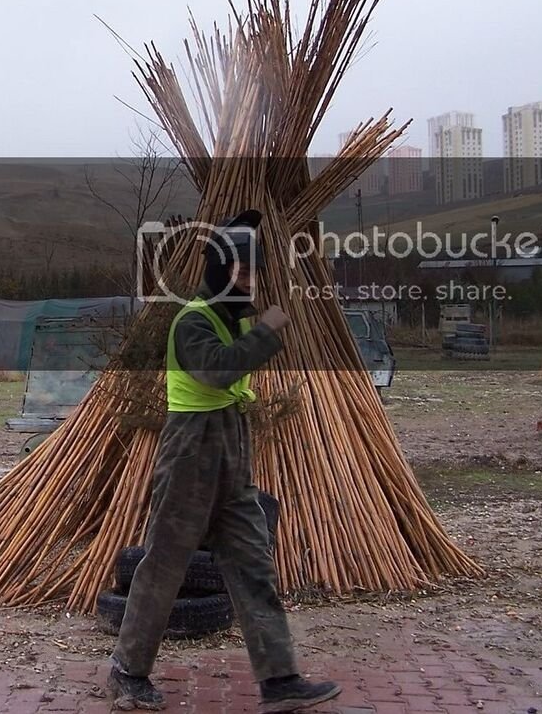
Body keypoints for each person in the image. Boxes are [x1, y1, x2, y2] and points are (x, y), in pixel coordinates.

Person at [108, 211, 340, 713]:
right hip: (190, 451)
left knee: (254, 565)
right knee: (165, 564)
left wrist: (259, 331)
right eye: (242, 270)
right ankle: (127, 671)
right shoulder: (192, 320)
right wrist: (268, 332)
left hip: (231, 449)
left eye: (255, 271)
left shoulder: (231, 319)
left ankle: (280, 682)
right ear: (219, 270)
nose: (250, 281)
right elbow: (215, 371)